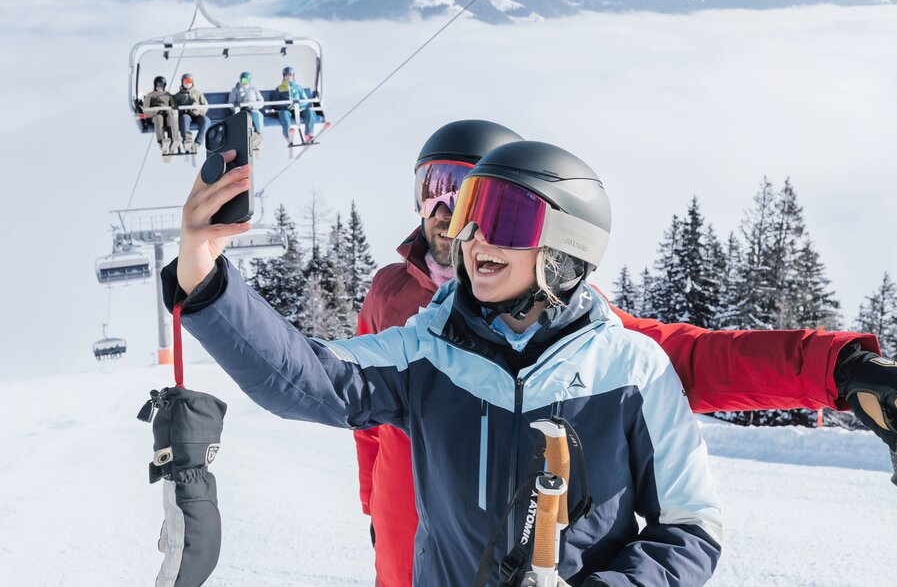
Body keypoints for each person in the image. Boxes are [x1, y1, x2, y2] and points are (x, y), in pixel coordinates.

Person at [357, 120, 897, 587]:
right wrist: (376, 514)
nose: (445, 211)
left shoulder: (570, 326)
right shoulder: (390, 291)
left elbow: (696, 360)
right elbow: (367, 424)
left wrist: (835, 366)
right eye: (431, 188)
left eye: (466, 195)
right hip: (407, 560)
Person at [165, 140, 723, 587]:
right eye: (471, 219)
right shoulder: (428, 353)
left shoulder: (631, 370)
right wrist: (205, 278)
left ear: (565, 242)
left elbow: (690, 527)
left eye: (503, 220)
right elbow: (303, 379)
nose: (475, 237)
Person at [275, 66, 321, 144]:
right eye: (287, 76)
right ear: (284, 76)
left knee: (310, 112)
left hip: (299, 109)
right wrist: (285, 106)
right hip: (287, 110)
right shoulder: (279, 88)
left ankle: (308, 134)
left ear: (293, 76)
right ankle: (288, 135)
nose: (289, 77)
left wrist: (299, 105)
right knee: (284, 114)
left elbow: (305, 100)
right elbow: (275, 102)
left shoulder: (298, 88)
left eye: (290, 75)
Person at [140, 75, 179, 155]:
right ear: (155, 85)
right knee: (159, 118)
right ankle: (162, 142)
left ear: (164, 85)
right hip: (156, 114)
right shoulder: (150, 95)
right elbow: (146, 109)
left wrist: (172, 110)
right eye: (158, 85)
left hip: (167, 113)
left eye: (162, 85)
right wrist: (155, 111)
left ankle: (173, 140)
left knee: (171, 118)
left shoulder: (168, 94)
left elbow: (174, 106)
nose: (159, 87)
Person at [171, 74, 209, 153]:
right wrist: (185, 110)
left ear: (192, 82)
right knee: (184, 118)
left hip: (197, 115)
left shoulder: (198, 94)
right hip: (186, 115)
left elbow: (205, 106)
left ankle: (197, 143)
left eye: (190, 81)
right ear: (182, 82)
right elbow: (174, 108)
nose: (188, 83)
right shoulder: (178, 96)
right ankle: (187, 141)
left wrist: (198, 110)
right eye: (185, 81)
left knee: (206, 120)